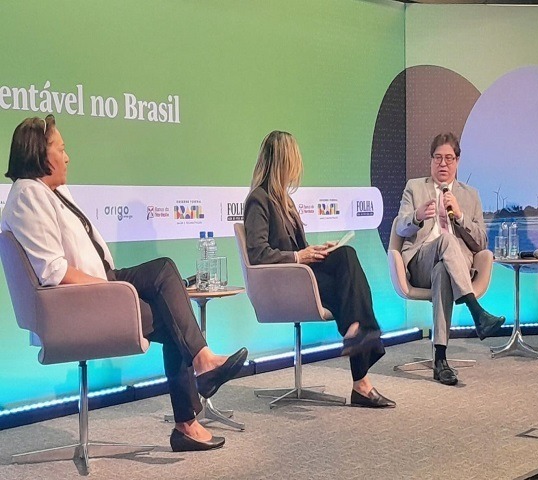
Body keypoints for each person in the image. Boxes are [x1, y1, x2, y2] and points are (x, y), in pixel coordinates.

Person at [1, 115, 248, 452]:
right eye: (61, 149)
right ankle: (188, 418)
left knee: (165, 271)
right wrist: (113, 291)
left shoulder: (50, 192)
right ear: (39, 154)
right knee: (173, 318)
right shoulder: (28, 194)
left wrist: (112, 285)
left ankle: (201, 371)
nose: (68, 157)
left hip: (101, 285)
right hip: (80, 303)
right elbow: (54, 271)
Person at [243, 130, 395, 408]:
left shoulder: (285, 201)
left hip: (300, 277)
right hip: (281, 284)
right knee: (347, 293)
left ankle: (359, 338)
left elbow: (298, 249)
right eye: (294, 160)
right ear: (284, 162)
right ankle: (364, 343)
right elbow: (258, 253)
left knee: (345, 256)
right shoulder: (259, 199)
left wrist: (316, 250)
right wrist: (300, 256)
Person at [396, 132, 505, 386]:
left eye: (448, 158)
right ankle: (476, 311)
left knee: (443, 271)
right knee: (445, 241)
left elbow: (481, 243)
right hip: (421, 261)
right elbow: (400, 227)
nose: (442, 164)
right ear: (431, 160)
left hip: (456, 268)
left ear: (457, 161)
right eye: (437, 158)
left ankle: (440, 359)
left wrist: (460, 215)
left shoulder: (470, 195)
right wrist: (417, 216)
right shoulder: (415, 188)